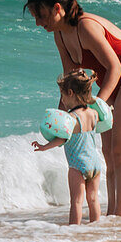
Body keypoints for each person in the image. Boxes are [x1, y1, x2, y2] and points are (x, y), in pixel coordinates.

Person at [25, 0, 121, 217]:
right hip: (111, 86)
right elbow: (69, 81)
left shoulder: (85, 26)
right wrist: (62, 119)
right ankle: (111, 216)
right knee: (107, 153)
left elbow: (115, 67)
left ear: (58, 8)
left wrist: (98, 106)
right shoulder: (59, 35)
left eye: (41, 15)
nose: (38, 22)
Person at [31, 69, 103, 225]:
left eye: (62, 95)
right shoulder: (93, 114)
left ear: (70, 93)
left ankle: (73, 231)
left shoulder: (71, 118)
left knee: (76, 201)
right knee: (93, 199)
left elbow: (62, 138)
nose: (62, 100)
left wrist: (44, 147)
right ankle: (97, 229)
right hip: (96, 163)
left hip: (78, 164)